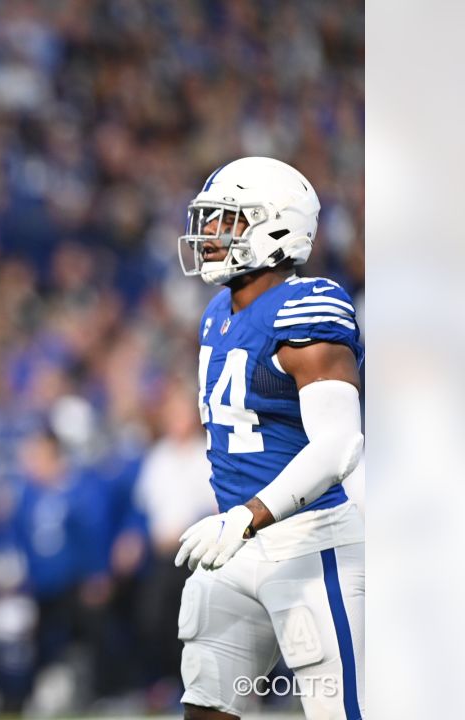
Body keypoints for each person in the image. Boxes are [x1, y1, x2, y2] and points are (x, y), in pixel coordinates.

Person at [172, 157, 364, 719]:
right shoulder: (217, 310)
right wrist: (237, 521)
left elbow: (338, 447)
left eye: (225, 221)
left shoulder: (308, 307)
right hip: (235, 542)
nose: (208, 235)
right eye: (208, 220)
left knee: (339, 710)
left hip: (308, 540)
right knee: (207, 706)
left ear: (277, 227)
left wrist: (247, 515)